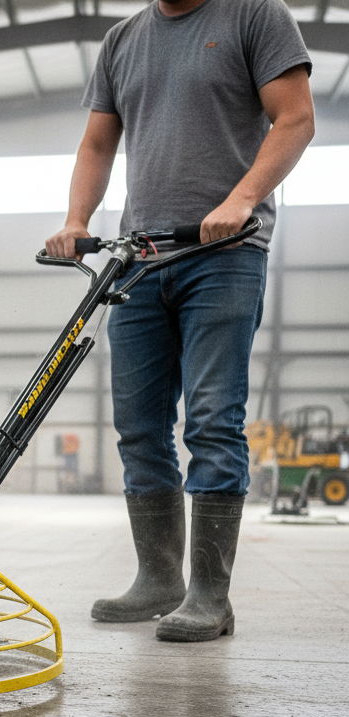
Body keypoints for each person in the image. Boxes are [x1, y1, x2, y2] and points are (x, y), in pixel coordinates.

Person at [46, 0, 314, 642]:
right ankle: (159, 578)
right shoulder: (123, 40)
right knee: (138, 425)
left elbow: (295, 119)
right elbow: (97, 141)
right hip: (138, 259)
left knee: (214, 420)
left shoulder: (256, 16)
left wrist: (242, 199)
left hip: (223, 256)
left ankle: (210, 597)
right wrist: (78, 220)